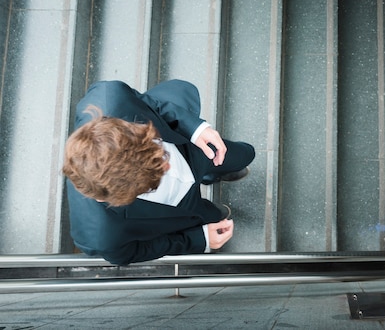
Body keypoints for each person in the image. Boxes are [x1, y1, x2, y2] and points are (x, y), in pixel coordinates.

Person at [62, 79, 255, 265]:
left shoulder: (110, 97)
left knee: (244, 154)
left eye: (159, 154)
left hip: (187, 148)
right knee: (213, 215)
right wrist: (200, 238)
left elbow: (150, 105)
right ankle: (213, 208)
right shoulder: (100, 237)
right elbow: (137, 251)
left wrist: (195, 129)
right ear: (109, 200)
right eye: (152, 180)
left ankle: (212, 173)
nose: (168, 166)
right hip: (178, 209)